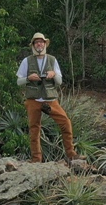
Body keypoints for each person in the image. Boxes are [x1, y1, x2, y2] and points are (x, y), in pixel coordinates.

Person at [16, 32, 76, 163]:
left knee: (65, 122)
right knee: (34, 129)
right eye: (36, 42)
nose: (39, 44)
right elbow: (18, 81)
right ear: (33, 45)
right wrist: (28, 78)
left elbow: (59, 82)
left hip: (50, 99)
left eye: (41, 42)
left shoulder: (52, 60)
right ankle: (36, 159)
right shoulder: (27, 61)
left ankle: (71, 153)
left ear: (45, 44)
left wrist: (53, 74)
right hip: (33, 100)